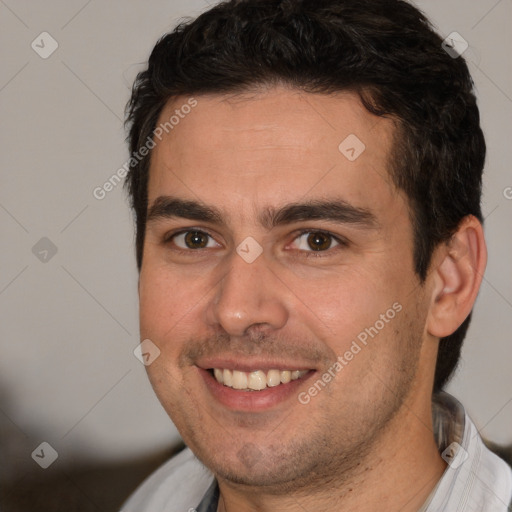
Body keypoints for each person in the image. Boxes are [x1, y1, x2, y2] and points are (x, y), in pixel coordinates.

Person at [121, 0, 512, 510]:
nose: (237, 310)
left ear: (449, 278)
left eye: (316, 240)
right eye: (195, 238)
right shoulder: (150, 499)